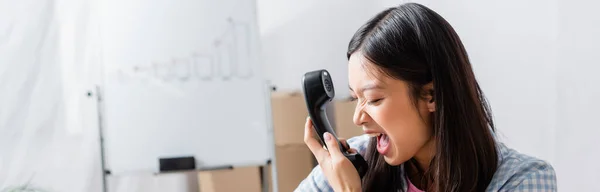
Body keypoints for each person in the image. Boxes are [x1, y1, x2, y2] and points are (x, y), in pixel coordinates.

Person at [295, 2, 557, 192]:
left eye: (374, 99)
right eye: (355, 98)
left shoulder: (523, 180)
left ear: (431, 95)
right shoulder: (354, 163)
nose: (357, 118)